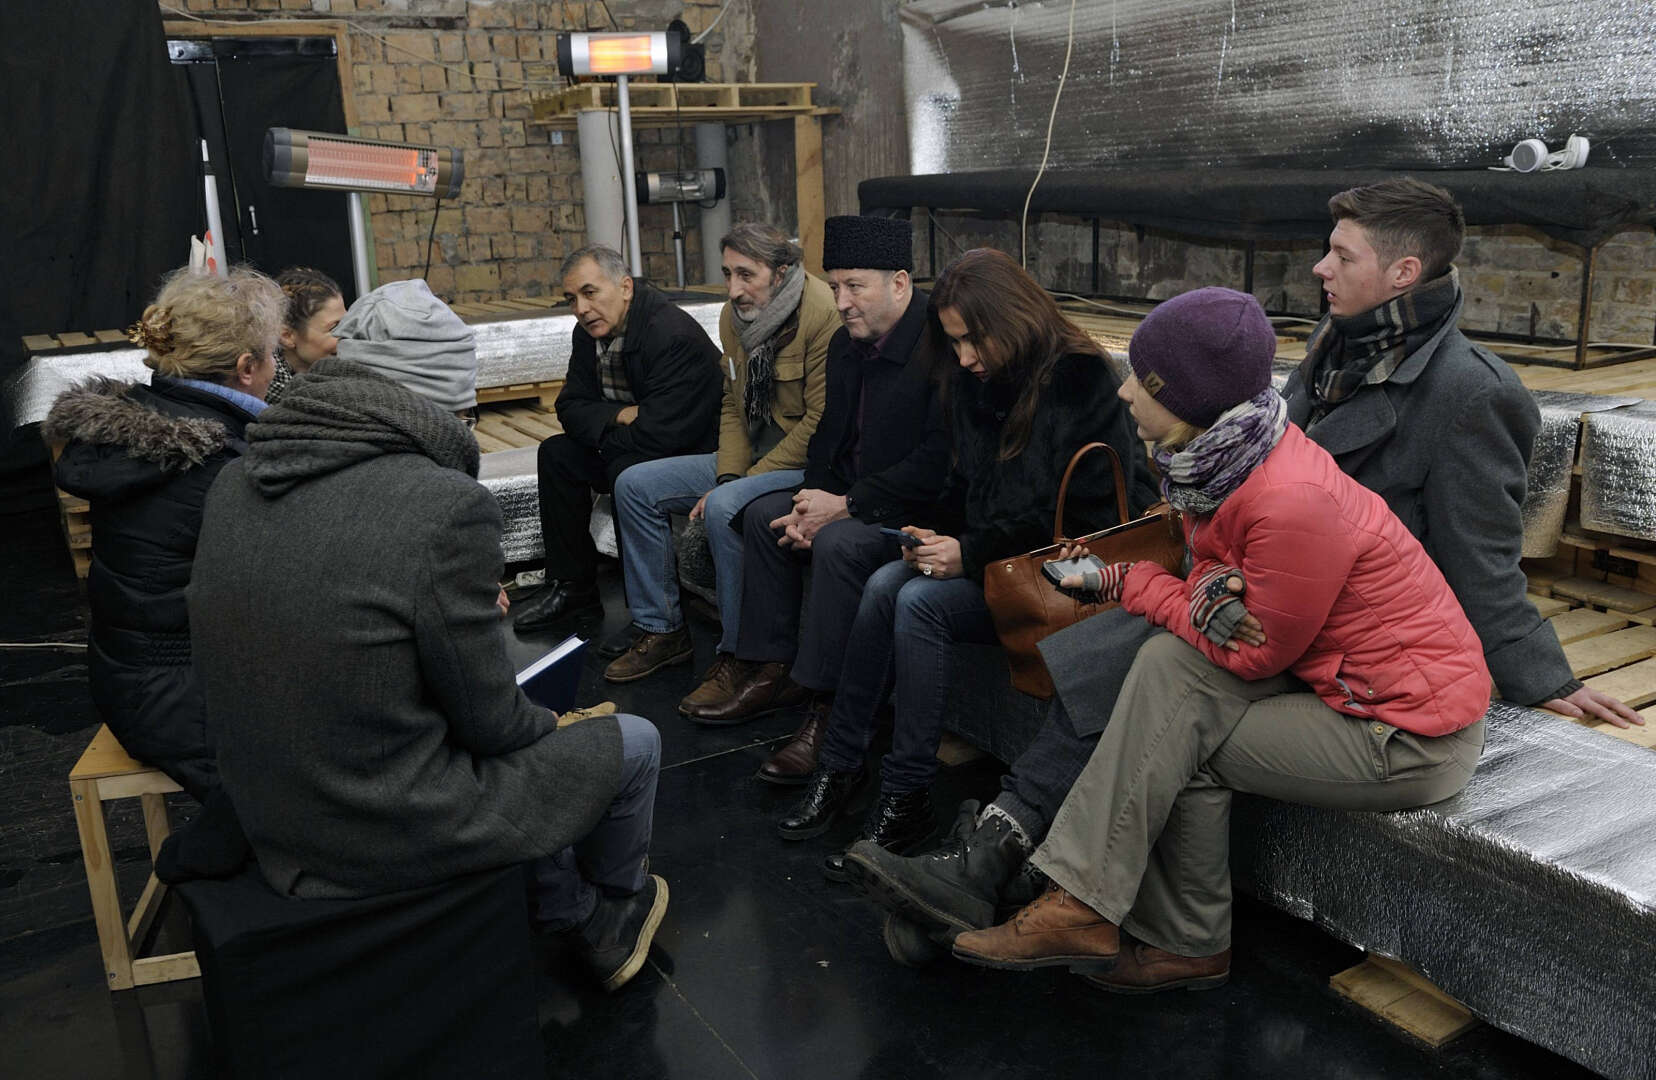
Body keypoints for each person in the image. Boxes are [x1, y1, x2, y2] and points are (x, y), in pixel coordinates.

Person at [849, 176, 1642, 951]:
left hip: (1346, 635)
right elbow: (1250, 496)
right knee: (1143, 652)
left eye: (1342, 255)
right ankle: (1021, 863)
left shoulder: (1471, 391)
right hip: (1275, 596)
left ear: (1403, 272)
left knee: (1143, 666)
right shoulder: (1331, 351)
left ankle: (1014, 857)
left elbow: (1480, 557)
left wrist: (1540, 673)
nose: (1320, 268)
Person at [942, 285, 1491, 992]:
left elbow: (1253, 652)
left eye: (1145, 381)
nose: (1125, 390)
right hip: (1344, 683)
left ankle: (1128, 919)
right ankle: (1110, 913)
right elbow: (1222, 576)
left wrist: (1127, 582)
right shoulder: (1226, 459)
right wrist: (1208, 586)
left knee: (1173, 734)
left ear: (1190, 401)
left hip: (1405, 732)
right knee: (1167, 672)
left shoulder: (1289, 501)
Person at [188, 279, 667, 992]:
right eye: (466, 408)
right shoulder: (441, 505)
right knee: (629, 742)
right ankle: (597, 923)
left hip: (268, 808)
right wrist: (555, 722)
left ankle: (558, 897)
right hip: (376, 822)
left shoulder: (236, 478)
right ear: (437, 399)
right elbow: (492, 725)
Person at [780, 248, 1155, 880]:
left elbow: (1087, 513)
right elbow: (966, 487)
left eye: (971, 341)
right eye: (953, 342)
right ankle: (841, 765)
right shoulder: (976, 382)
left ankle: (906, 794)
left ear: (1009, 320)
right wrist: (936, 534)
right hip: (1002, 566)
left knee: (917, 601)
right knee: (886, 582)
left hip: (1071, 576)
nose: (962, 358)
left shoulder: (1079, 377)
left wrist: (972, 552)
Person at [676, 216, 951, 778]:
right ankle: (771, 669)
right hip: (852, 494)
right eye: (836, 285)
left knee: (840, 545)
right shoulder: (849, 343)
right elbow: (828, 435)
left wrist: (844, 507)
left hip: (913, 508)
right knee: (764, 515)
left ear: (900, 283)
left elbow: (937, 461)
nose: (841, 302)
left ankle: (830, 709)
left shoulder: (938, 347)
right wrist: (811, 498)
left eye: (855, 287)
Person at [46, 265, 284, 798]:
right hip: (183, 705)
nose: (277, 368)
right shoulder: (221, 464)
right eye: (273, 356)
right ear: (246, 368)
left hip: (133, 684)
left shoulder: (150, 424)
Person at [601, 224, 837, 682]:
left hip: (803, 464)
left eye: (746, 275)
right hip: (752, 458)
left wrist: (738, 485)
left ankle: (739, 653)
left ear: (781, 272)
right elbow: (733, 404)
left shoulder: (822, 314)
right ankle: (662, 629)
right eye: (728, 274)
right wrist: (729, 475)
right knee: (634, 485)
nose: (733, 289)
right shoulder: (735, 317)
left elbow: (819, 423)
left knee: (725, 506)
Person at [512, 246, 722, 635]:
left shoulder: (670, 334)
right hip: (629, 441)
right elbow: (569, 407)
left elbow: (663, 434)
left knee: (628, 472)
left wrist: (603, 429)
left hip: (694, 451)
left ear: (625, 287)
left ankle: (649, 611)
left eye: (590, 293)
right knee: (557, 454)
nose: (580, 308)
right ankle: (573, 588)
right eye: (571, 299)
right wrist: (620, 414)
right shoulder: (588, 334)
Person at [265, 266, 344, 404]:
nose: (348, 337)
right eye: (335, 328)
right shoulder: (264, 393)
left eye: (348, 323)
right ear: (287, 336)